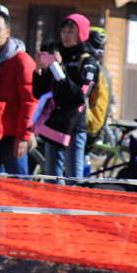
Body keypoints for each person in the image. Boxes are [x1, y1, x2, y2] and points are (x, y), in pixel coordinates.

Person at [32, 13, 98, 184]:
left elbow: (79, 96)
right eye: (64, 31)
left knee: (73, 181)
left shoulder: (87, 61)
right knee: (51, 179)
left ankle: (72, 211)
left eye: (71, 31)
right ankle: (53, 210)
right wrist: (39, 71)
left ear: (81, 34)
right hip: (54, 123)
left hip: (75, 125)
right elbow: (39, 93)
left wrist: (59, 69)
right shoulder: (57, 55)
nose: (66, 35)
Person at [0, 4, 36, 176]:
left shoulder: (22, 61)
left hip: (13, 135)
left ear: (8, 32)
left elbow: (30, 101)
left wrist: (23, 136)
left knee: (18, 187)